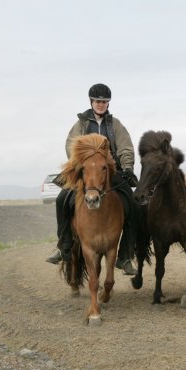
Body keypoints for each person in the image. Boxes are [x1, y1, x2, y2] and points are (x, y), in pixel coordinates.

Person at [46, 83, 139, 275]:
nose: (101, 105)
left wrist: (127, 167)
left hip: (110, 173)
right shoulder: (80, 124)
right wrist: (79, 163)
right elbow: (70, 147)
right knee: (62, 199)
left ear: (108, 104)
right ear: (91, 102)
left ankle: (125, 256)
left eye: (104, 102)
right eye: (98, 101)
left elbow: (125, 147)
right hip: (86, 172)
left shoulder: (116, 125)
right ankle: (63, 246)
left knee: (134, 205)